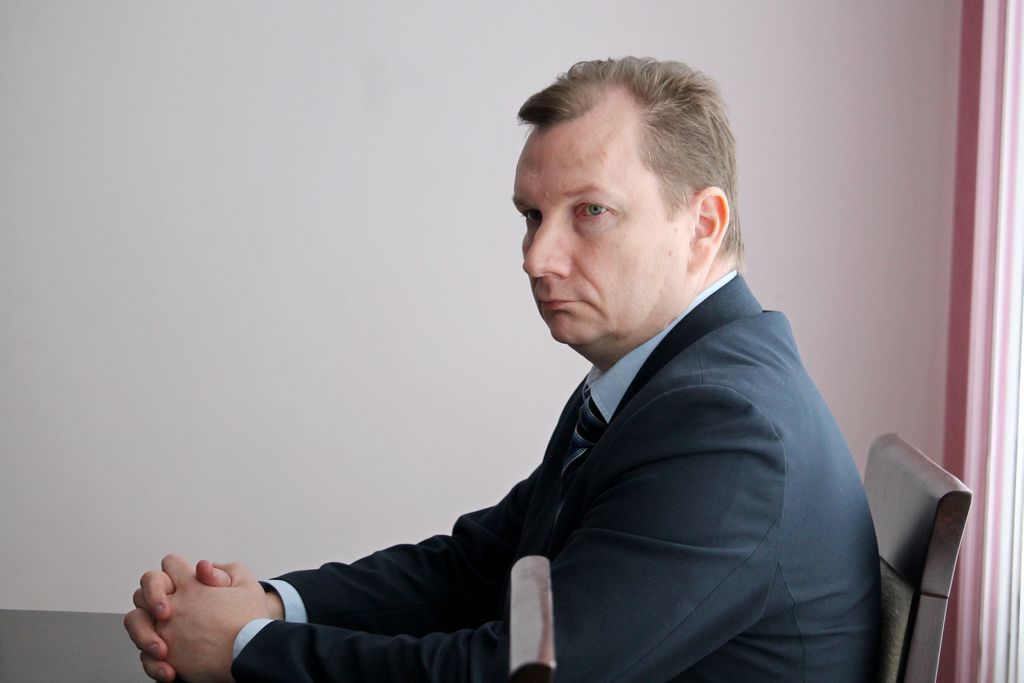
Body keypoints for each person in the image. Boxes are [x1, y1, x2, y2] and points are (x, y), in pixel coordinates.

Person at [124, 57, 880, 682]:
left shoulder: (727, 428)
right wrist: (266, 605)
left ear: (702, 224)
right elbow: (476, 570)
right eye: (532, 216)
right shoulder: (662, 380)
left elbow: (514, 673)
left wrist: (243, 649)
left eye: (591, 212)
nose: (537, 258)